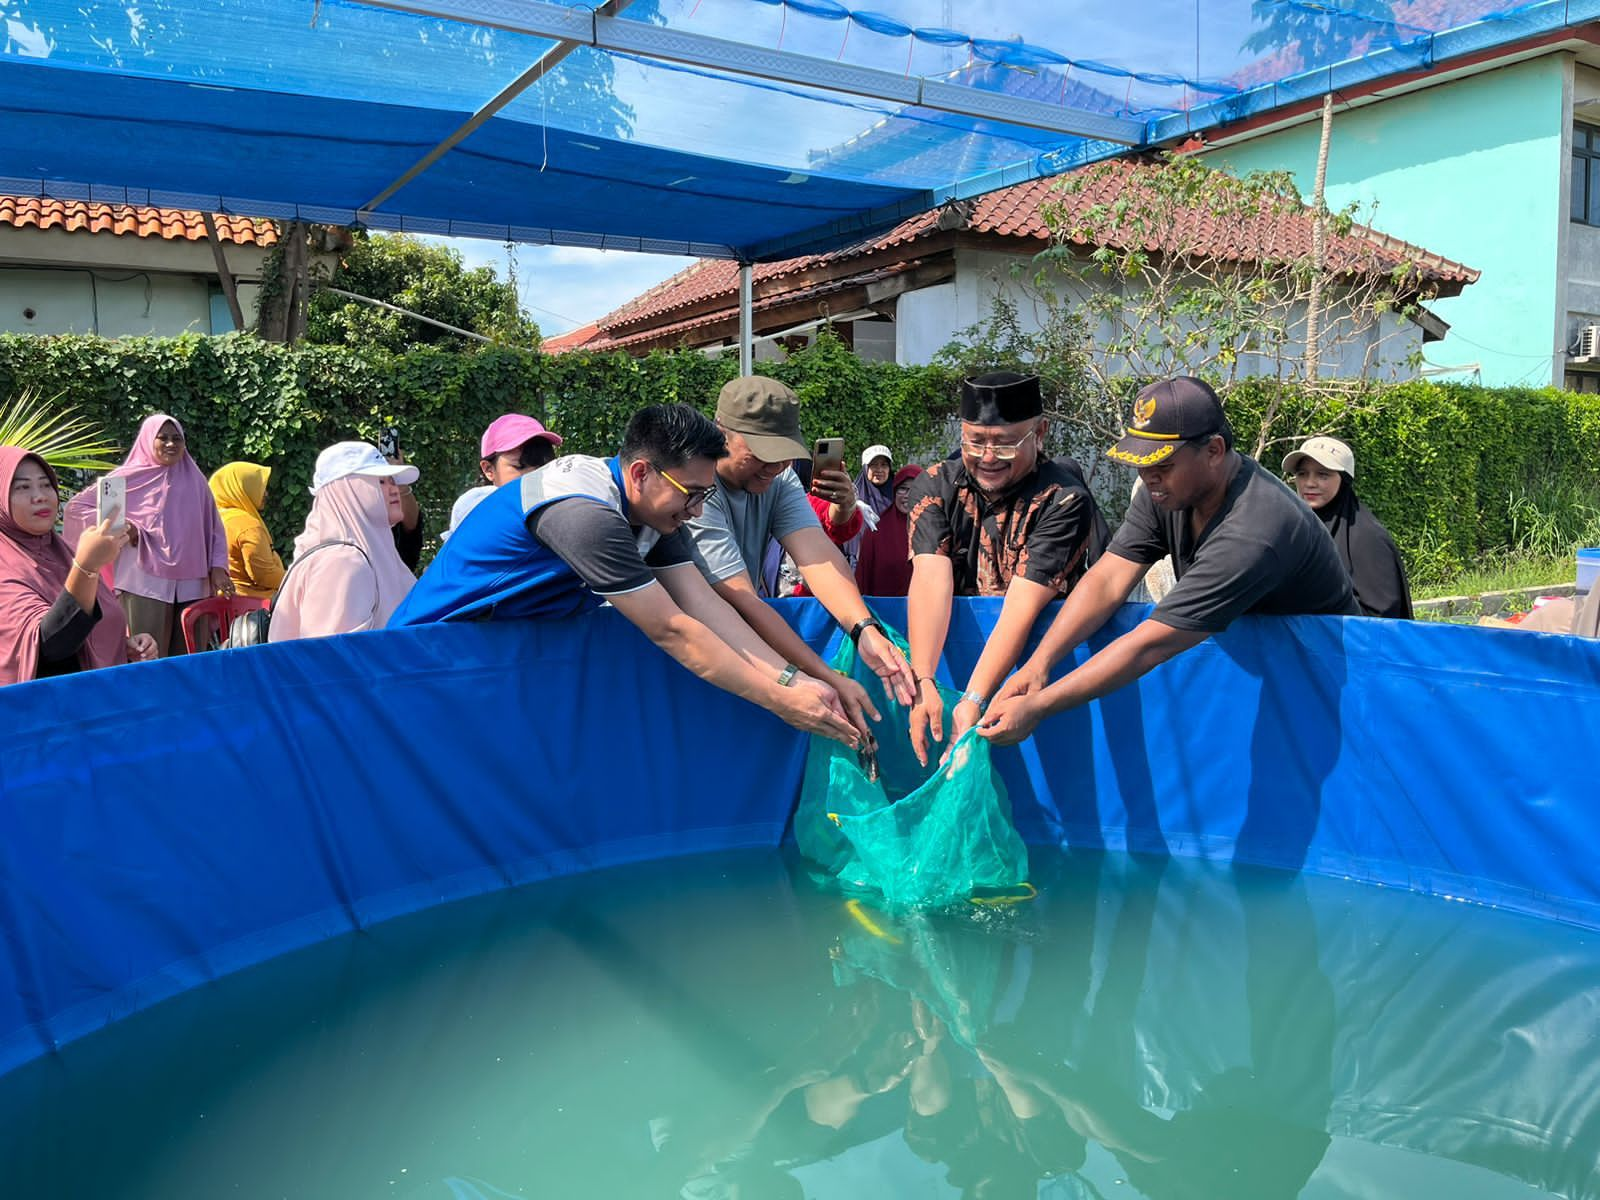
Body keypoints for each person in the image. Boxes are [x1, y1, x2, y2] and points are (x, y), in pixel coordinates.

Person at [389, 404, 863, 748]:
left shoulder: (653, 513)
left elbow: (705, 606)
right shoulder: (585, 514)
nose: (697, 511)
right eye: (692, 494)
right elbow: (673, 629)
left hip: (489, 663)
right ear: (641, 472)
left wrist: (796, 679)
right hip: (421, 662)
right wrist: (780, 701)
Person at [979, 377, 1358, 747]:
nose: (1149, 477)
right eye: (1141, 464)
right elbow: (1109, 577)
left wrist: (1039, 705)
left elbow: (1152, 644)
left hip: (1327, 679)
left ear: (1213, 450)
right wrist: (1039, 664)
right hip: (1261, 668)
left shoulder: (1255, 530)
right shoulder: (1165, 490)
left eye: (1162, 464)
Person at [683, 377, 917, 737]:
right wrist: (824, 676)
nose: (774, 467)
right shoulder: (698, 487)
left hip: (747, 643)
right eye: (760, 453)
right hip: (692, 649)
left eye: (783, 454)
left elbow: (818, 555)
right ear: (721, 433)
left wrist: (864, 629)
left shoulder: (779, 478)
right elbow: (741, 599)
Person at [902, 372, 1109, 765]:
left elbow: (1022, 607)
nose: (988, 458)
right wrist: (923, 680)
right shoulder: (933, 485)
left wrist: (972, 700)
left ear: (1040, 433)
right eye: (975, 442)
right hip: (950, 666)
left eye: (1005, 444)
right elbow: (930, 578)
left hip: (1033, 687)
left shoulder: (1064, 500)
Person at [64, 413, 232, 658]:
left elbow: (214, 527)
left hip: (193, 583)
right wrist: (124, 526)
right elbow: (77, 508)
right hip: (144, 581)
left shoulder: (196, 481)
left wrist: (218, 566)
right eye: (162, 438)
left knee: (191, 656)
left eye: (177, 438)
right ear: (147, 440)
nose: (170, 444)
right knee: (147, 655)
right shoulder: (124, 478)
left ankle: (185, 699)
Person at [0, 446, 156, 685]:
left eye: (45, 484)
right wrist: (86, 567)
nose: (39, 495)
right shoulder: (5, 561)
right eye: (22, 487)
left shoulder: (61, 551)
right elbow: (51, 646)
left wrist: (123, 648)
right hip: (41, 715)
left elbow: (89, 629)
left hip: (96, 704)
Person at [268, 442, 419, 643]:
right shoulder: (342, 561)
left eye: (392, 481)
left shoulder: (365, 551)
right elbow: (334, 661)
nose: (394, 490)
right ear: (347, 490)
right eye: (381, 482)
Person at [1283, 436, 1412, 619]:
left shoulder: (1367, 538)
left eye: (1323, 474)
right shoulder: (1295, 529)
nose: (1310, 483)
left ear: (1344, 480)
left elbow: (1381, 618)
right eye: (1302, 474)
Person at [208, 462, 285, 599]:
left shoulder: (213, 519)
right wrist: (295, 578)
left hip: (221, 599)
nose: (265, 494)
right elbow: (264, 575)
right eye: (259, 487)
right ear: (241, 488)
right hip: (254, 602)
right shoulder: (246, 525)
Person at [854, 465, 923, 598]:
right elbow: (862, 579)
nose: (908, 496)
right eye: (902, 489)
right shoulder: (877, 532)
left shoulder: (934, 529)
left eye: (915, 489)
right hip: (884, 613)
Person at [843, 444, 896, 567]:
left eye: (884, 465)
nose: (879, 470)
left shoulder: (899, 495)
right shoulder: (853, 498)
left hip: (893, 562)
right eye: (873, 464)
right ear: (865, 468)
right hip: (860, 564)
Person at [478, 413, 562, 487]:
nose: (534, 476)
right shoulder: (475, 504)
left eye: (543, 466)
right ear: (488, 469)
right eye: (520, 466)